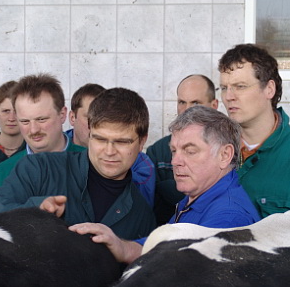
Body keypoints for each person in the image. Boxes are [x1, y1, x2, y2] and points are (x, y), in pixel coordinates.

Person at [69, 106, 260, 264]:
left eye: (190, 151)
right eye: (174, 151)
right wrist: (122, 247)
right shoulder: (197, 196)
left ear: (225, 155)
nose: (175, 161)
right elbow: (164, 244)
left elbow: (180, 270)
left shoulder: (229, 217)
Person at [0, 87, 157, 240]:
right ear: (89, 133)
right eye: (100, 139)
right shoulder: (39, 169)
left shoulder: (142, 214)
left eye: (122, 142)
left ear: (142, 142)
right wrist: (34, 210)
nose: (109, 151)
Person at [218, 43, 290, 218]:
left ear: (269, 89)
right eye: (224, 88)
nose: (229, 97)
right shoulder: (213, 150)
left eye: (240, 86)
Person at [0, 73, 85, 207]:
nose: (33, 130)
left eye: (41, 119)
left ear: (62, 114)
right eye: (24, 121)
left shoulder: (92, 164)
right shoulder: (2, 173)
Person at [66, 83, 156, 207]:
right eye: (90, 117)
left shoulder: (142, 164)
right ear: (72, 117)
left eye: (122, 142)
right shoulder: (53, 155)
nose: (109, 151)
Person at [147, 74, 219, 225]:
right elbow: (152, 208)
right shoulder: (158, 152)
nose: (187, 110)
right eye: (182, 102)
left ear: (214, 106)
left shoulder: (229, 151)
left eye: (195, 103)